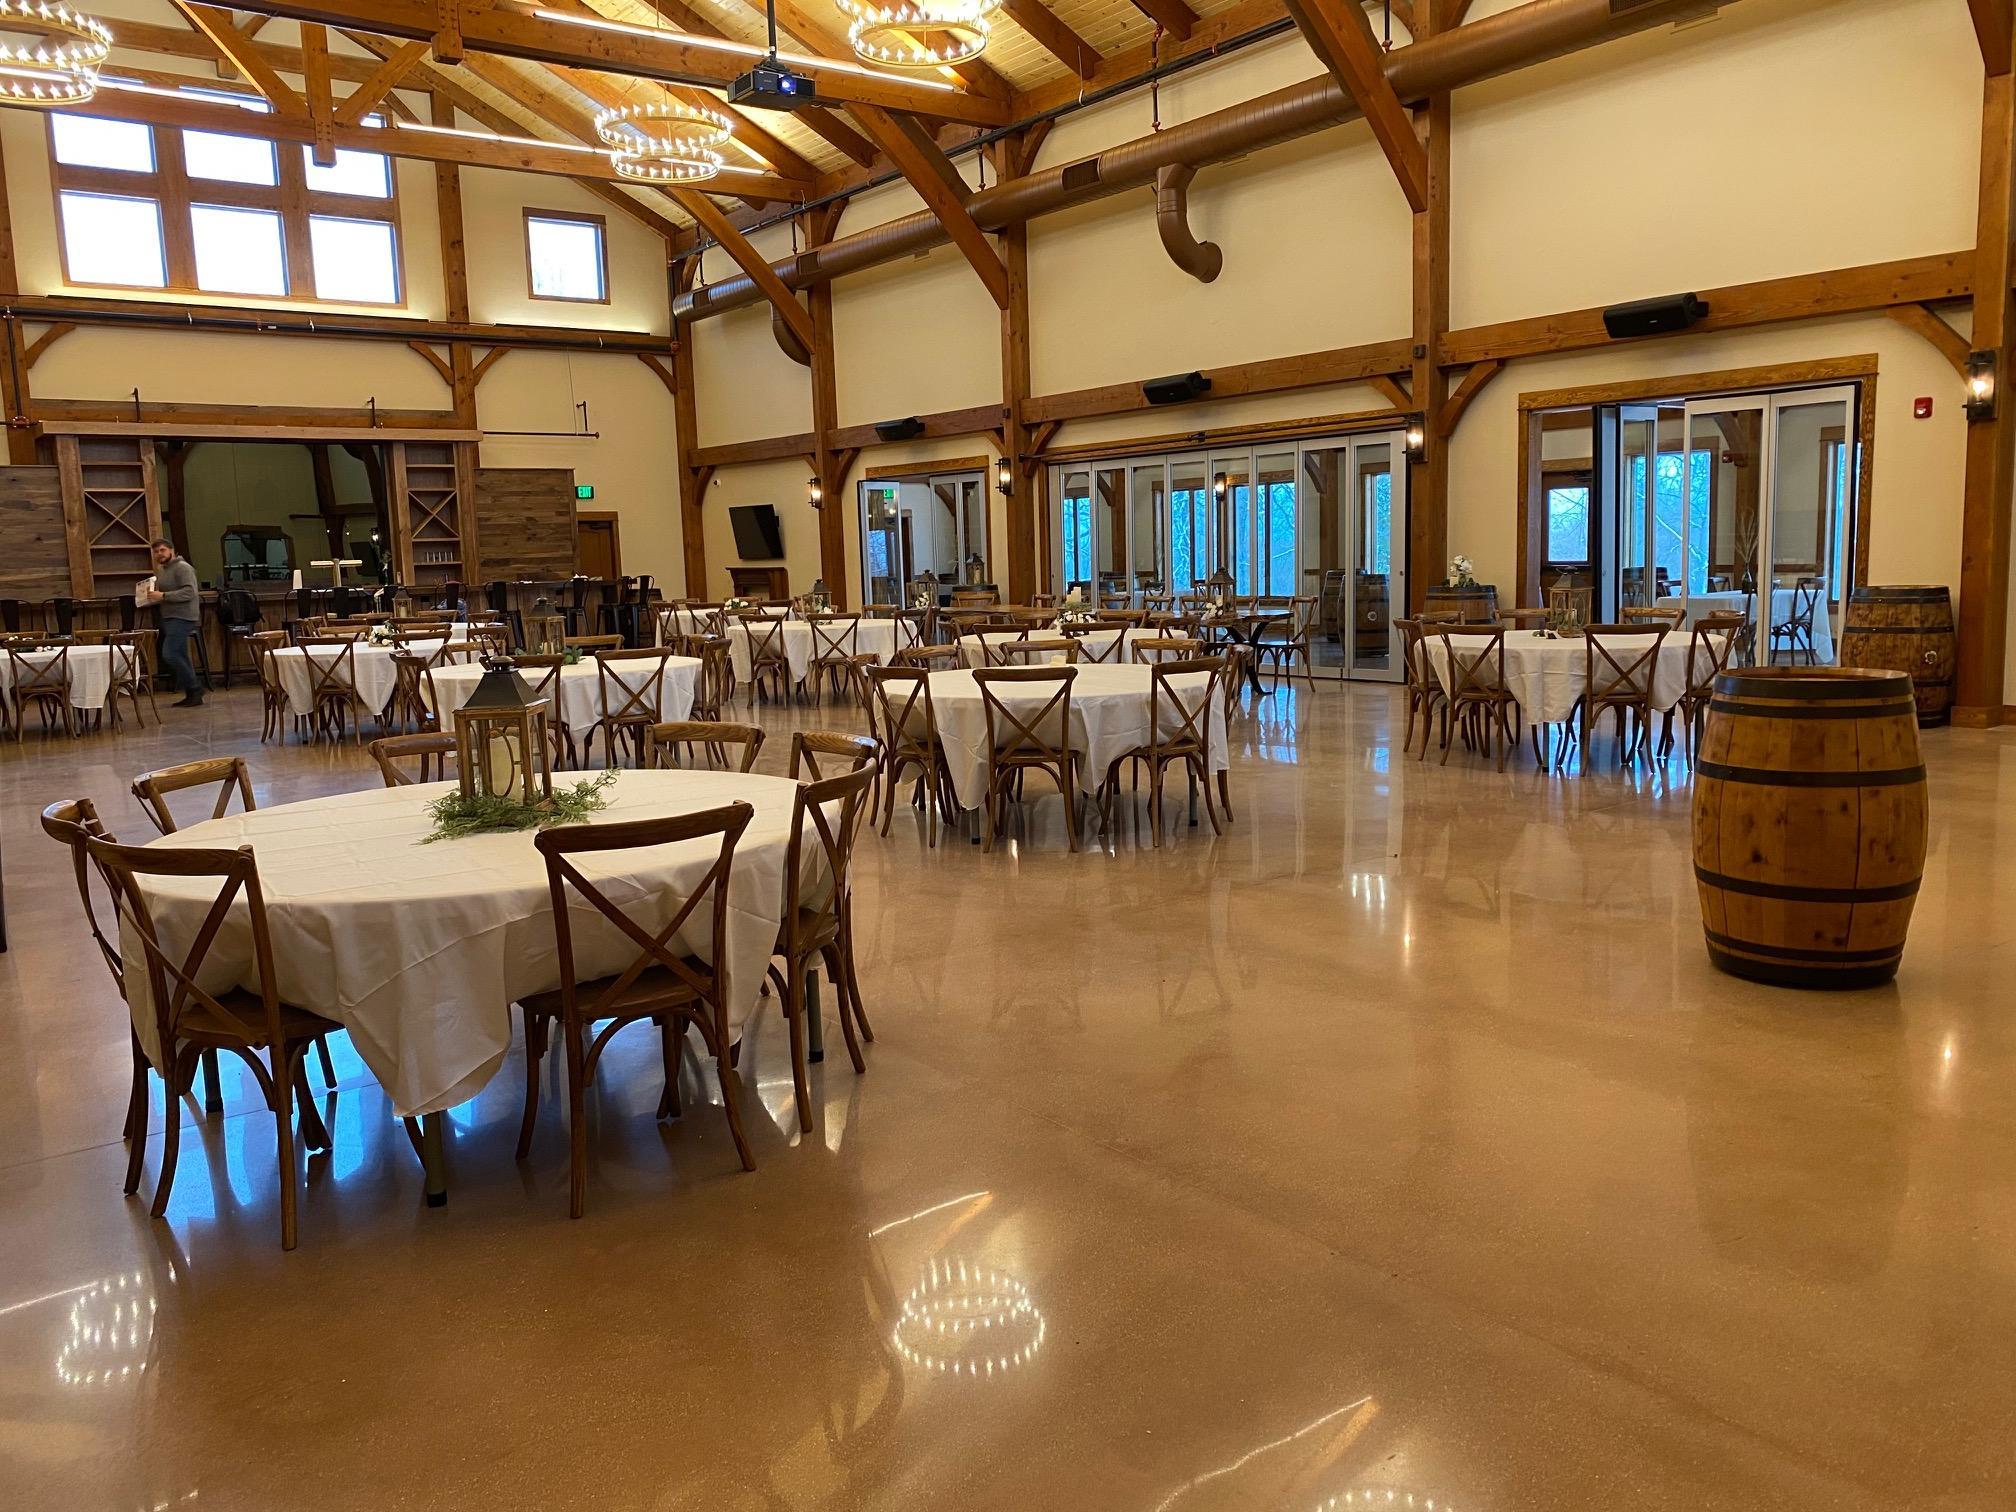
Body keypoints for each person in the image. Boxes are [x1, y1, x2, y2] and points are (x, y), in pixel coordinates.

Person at [142, 538, 204, 708]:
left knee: (170, 654)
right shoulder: (162, 570)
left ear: (171, 550)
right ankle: (193, 694)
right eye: (156, 552)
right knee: (180, 654)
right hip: (169, 616)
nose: (159, 554)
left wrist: (163, 596)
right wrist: (150, 597)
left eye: (162, 550)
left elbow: (190, 592)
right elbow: (163, 594)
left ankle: (195, 687)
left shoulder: (183, 568)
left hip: (183, 616)